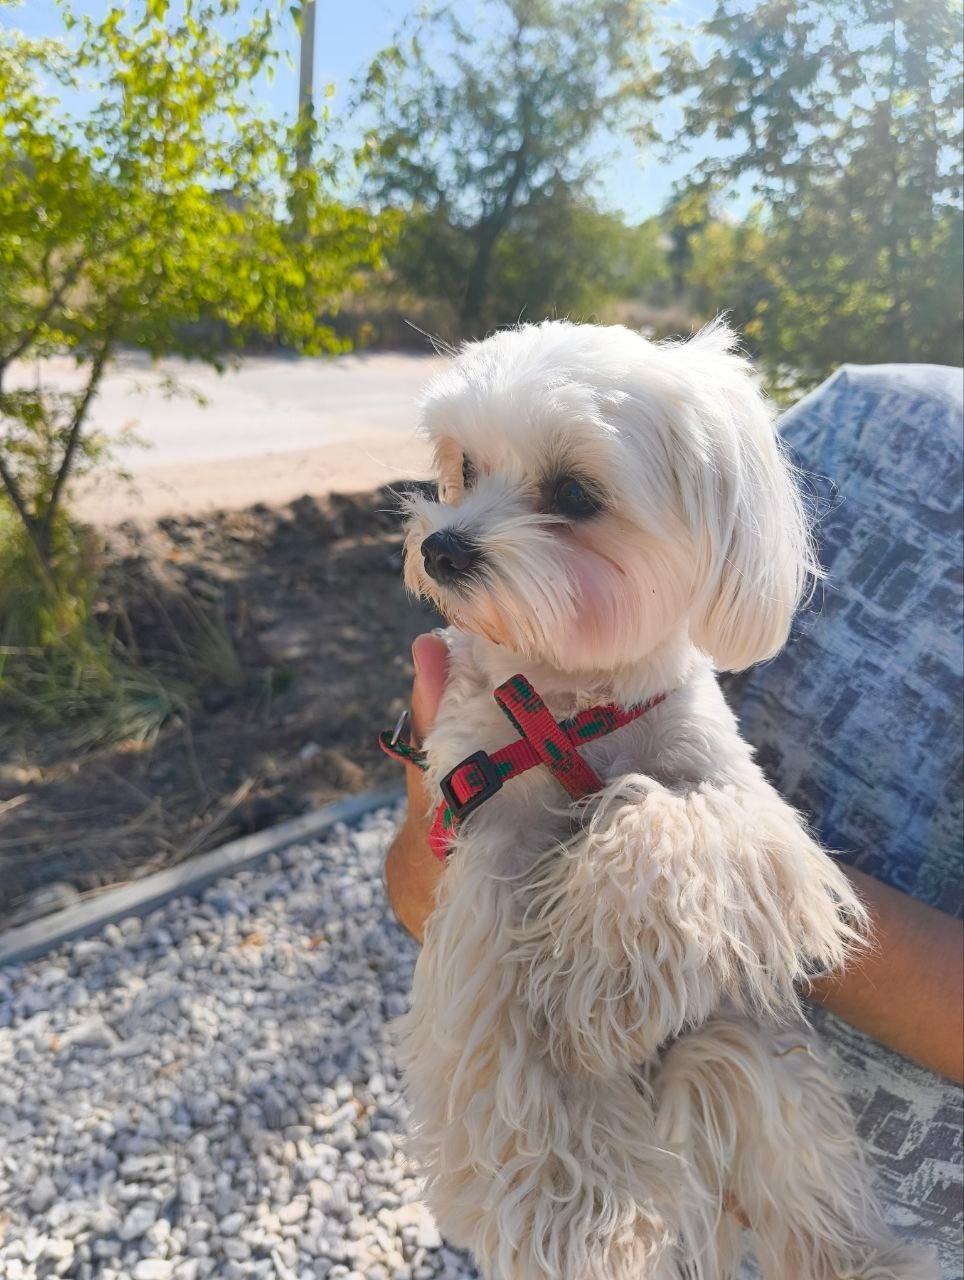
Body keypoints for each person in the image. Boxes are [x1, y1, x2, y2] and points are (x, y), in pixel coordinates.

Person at [384, 361, 964, 1259]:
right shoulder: (872, 411)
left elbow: (729, 819)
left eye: (570, 496)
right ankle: (553, 1198)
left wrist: (690, 898)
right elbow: (428, 901)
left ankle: (826, 1244)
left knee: (739, 1043)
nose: (454, 534)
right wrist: (440, 838)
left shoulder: (677, 702)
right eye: (467, 473)